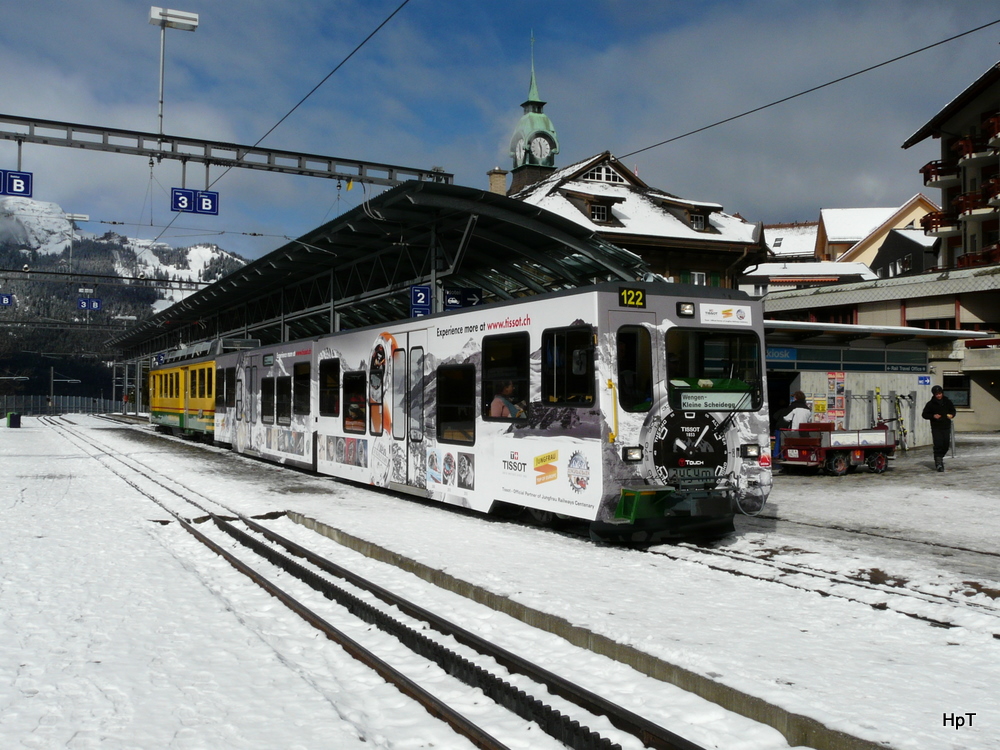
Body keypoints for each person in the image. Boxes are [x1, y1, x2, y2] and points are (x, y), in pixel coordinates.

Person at [921, 384, 955, 472]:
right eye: (937, 394)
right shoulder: (930, 404)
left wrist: (952, 415)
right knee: (938, 444)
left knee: (946, 445)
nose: (938, 395)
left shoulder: (947, 402)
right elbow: (924, 414)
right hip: (936, 427)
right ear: (934, 395)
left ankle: (939, 457)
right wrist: (933, 416)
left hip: (946, 426)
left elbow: (953, 410)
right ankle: (938, 462)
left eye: (940, 393)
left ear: (942, 393)